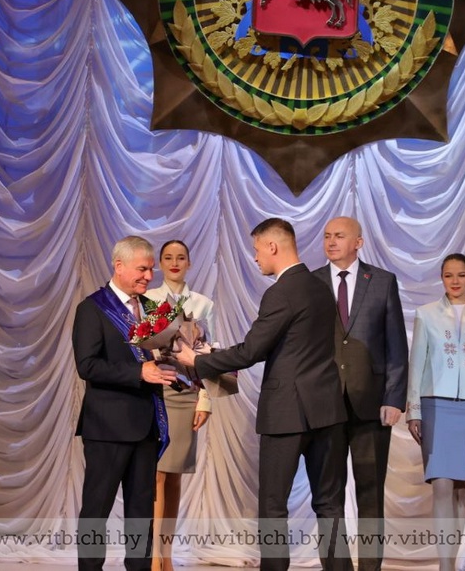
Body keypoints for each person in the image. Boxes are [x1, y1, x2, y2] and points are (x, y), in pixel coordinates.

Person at [174, 218, 350, 571]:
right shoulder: (322, 287)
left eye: (257, 250)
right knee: (330, 505)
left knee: (273, 506)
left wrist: (198, 360)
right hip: (328, 410)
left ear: (272, 247)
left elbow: (252, 351)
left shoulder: (281, 292)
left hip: (287, 412)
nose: (255, 258)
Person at [73, 236, 178, 571]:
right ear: (119, 266)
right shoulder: (92, 308)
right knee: (96, 510)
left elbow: (164, 356)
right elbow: (87, 366)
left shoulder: (152, 309)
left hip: (146, 425)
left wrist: (190, 363)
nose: (149, 276)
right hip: (107, 427)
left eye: (151, 269)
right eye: (142, 269)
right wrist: (139, 372)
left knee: (141, 513)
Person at [314, 216, 407, 571]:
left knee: (370, 494)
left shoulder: (382, 281)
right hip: (325, 405)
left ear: (358, 242)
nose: (331, 241)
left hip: (372, 405)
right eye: (327, 236)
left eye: (339, 236)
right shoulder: (311, 283)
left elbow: (396, 345)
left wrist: (394, 398)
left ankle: (370, 567)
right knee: (329, 496)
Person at [406, 253, 465, 571]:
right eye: (449, 275)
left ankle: (455, 563)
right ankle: (444, 566)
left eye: (461, 275)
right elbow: (417, 363)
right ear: (442, 278)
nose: (455, 281)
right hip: (436, 407)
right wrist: (414, 410)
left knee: (461, 491)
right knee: (442, 485)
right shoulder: (426, 314)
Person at [144, 240, 214, 571]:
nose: (174, 262)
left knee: (174, 478)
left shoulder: (203, 304)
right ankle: (153, 558)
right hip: (154, 392)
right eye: (168, 257)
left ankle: (167, 555)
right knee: (155, 475)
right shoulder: (147, 300)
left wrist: (205, 399)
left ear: (189, 263)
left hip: (186, 395)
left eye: (181, 257)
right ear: (159, 263)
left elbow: (210, 353)